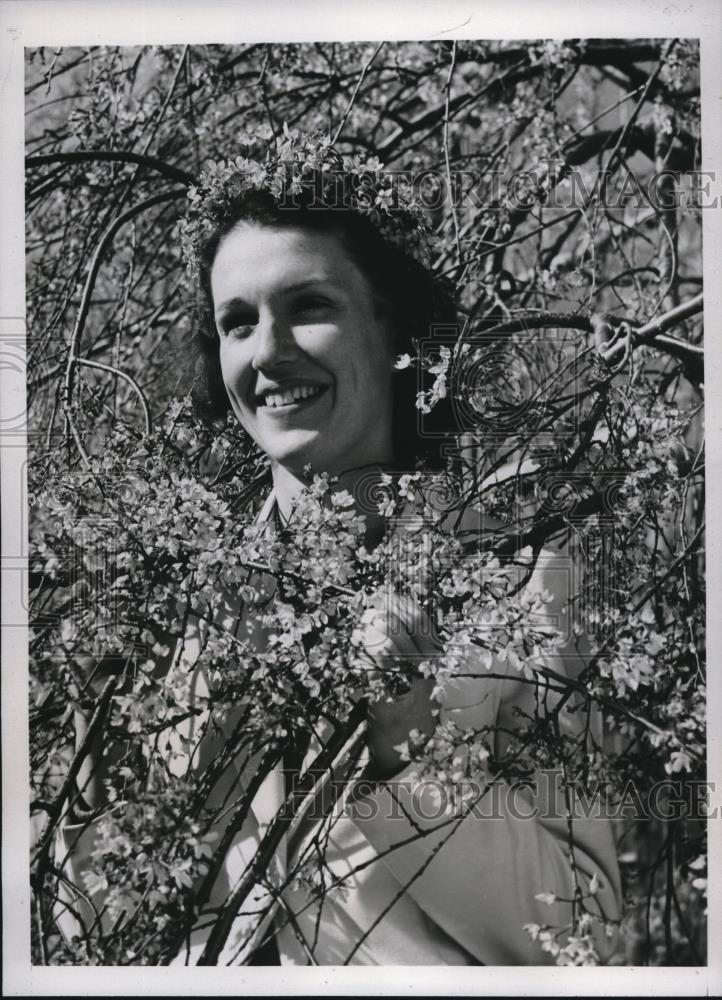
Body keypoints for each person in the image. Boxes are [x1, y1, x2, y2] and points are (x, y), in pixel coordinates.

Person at [54, 132, 622, 966]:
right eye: (237, 323)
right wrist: (90, 773)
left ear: (391, 320)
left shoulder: (521, 562)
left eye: (309, 306)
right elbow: (102, 937)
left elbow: (589, 938)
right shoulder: (178, 605)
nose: (269, 351)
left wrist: (412, 753)